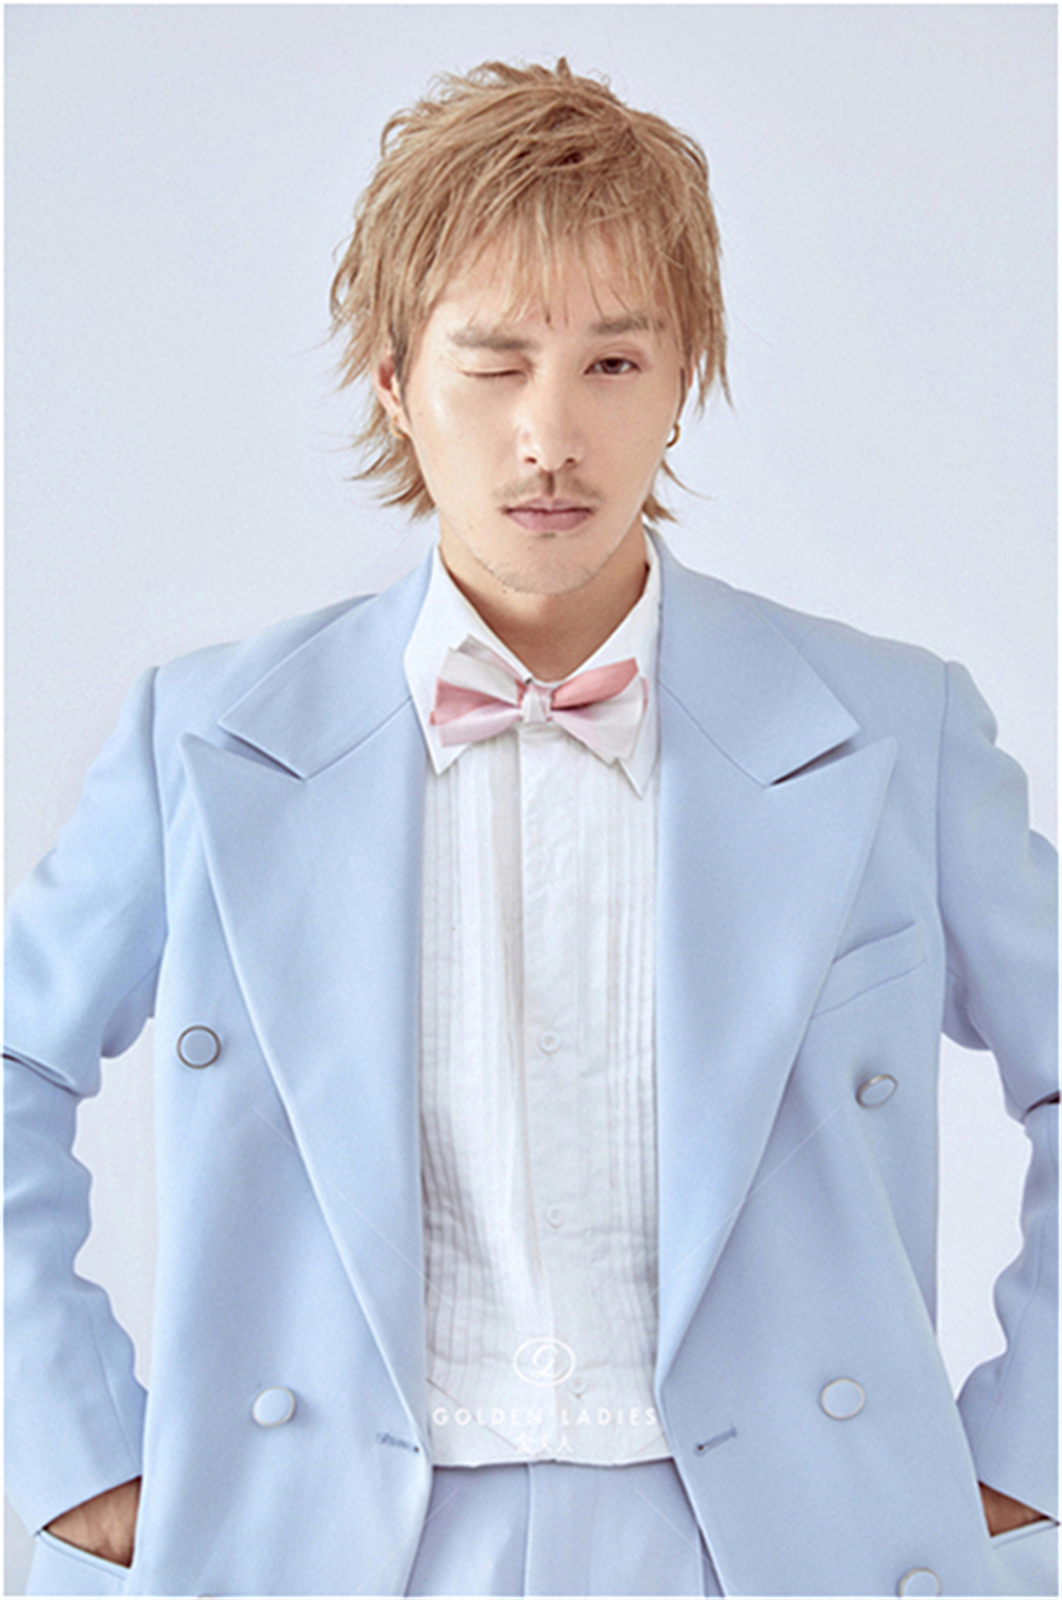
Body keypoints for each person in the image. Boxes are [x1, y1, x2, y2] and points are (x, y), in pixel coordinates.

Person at [4, 58, 1057, 1599]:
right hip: (333, 1550)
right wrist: (71, 1440)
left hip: (767, 1550)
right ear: (391, 379)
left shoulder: (889, 726)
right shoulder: (208, 737)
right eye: (492, 363)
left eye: (612, 363)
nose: (548, 434)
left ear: (685, 375)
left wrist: (1029, 1446)